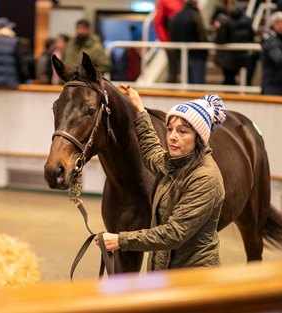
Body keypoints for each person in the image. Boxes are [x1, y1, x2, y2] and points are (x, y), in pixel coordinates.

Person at [95, 84, 226, 270]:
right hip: (166, 270)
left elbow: (174, 233)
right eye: (170, 129)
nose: (172, 136)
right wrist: (139, 110)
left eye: (182, 131)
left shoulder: (205, 178)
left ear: (199, 138)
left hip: (193, 276)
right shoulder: (174, 162)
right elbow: (151, 149)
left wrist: (120, 240)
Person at [212, 3, 254, 85]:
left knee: (229, 79)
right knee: (243, 80)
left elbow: (221, 39)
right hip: (242, 55)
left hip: (229, 56)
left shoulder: (226, 22)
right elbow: (251, 35)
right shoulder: (246, 21)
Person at [169, 0, 208, 84]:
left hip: (181, 55)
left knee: (186, 84)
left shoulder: (175, 17)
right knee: (198, 85)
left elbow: (171, 35)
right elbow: (202, 35)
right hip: (196, 55)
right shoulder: (195, 15)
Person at [154, 0, 184, 83]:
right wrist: (165, 41)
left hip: (183, 40)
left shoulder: (183, 2)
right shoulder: (165, 2)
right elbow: (158, 22)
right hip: (171, 41)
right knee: (173, 70)